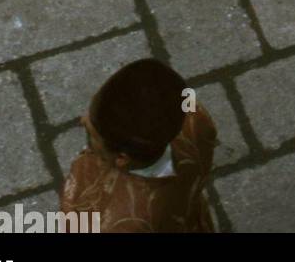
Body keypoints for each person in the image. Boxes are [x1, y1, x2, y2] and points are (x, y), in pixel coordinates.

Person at [58, 58, 217, 233]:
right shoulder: (195, 120)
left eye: (92, 134)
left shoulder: (92, 187)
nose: (83, 120)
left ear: (121, 158)